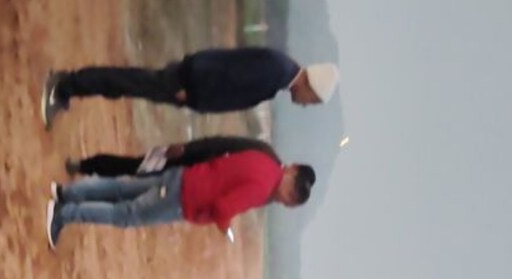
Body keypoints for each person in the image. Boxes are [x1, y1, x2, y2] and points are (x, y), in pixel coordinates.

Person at [45, 148, 315, 250]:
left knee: (123, 188)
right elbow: (223, 208)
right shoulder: (262, 188)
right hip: (184, 198)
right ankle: (63, 213)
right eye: (291, 190)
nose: (286, 196)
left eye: (291, 199)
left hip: (185, 177)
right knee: (125, 214)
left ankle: (67, 193)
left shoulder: (265, 160)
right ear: (291, 171)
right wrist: (226, 229)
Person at [41, 47, 339, 129]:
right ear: (311, 87)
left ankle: (71, 85)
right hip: (190, 82)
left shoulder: (279, 75)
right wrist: (192, 87)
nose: (305, 104)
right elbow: (227, 73)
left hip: (192, 84)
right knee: (126, 82)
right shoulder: (276, 71)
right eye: (311, 100)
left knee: (129, 84)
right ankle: (65, 85)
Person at [65, 135, 281, 178]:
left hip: (189, 185)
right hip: (187, 161)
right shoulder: (264, 154)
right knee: (135, 167)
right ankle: (84, 166)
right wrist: (187, 148)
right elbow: (220, 143)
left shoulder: (266, 191)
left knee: (135, 186)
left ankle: (86, 178)